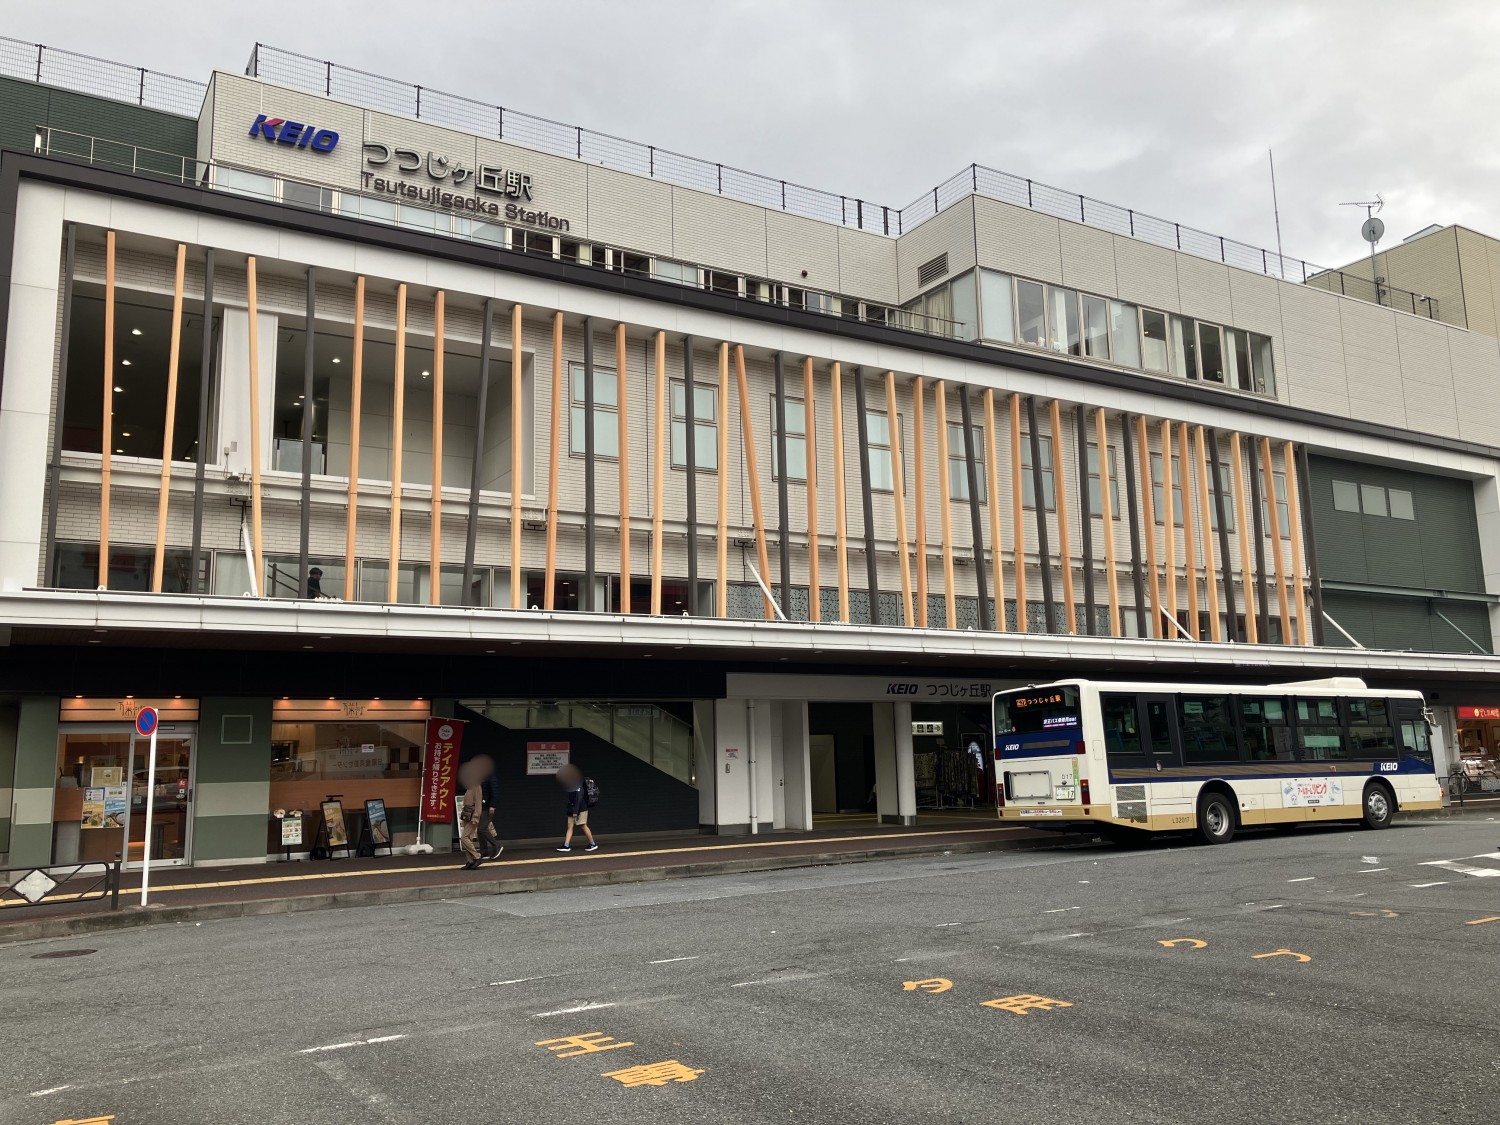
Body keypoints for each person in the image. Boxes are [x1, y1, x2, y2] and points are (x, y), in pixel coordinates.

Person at [555, 764, 598, 853]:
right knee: (570, 826)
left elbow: (579, 799)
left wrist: (575, 812)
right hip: (572, 809)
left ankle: (593, 844)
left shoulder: (578, 785)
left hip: (580, 809)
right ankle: (566, 845)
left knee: (583, 825)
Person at [457, 757, 488, 870]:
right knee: (467, 839)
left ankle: (477, 856)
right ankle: (470, 861)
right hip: (467, 815)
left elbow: (478, 803)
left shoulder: (476, 786)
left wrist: (476, 817)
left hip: (472, 815)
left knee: (464, 838)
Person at [479, 758, 503, 860]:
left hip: (488, 806)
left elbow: (495, 792)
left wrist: (492, 805)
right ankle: (484, 852)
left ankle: (496, 845)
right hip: (480, 806)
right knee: (479, 830)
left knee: (482, 828)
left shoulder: (490, 777)